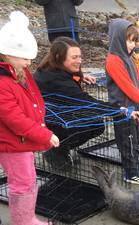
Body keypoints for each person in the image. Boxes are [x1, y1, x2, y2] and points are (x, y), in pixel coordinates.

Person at [0, 11, 59, 225]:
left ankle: (27, 218)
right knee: (23, 183)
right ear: (6, 53)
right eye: (24, 57)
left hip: (22, 140)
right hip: (11, 142)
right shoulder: (3, 82)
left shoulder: (20, 72)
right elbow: (14, 118)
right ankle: (23, 221)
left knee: (28, 179)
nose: (27, 62)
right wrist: (43, 133)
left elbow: (34, 100)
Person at [34, 37, 117, 171]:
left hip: (59, 110)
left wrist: (81, 77)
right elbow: (85, 101)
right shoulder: (54, 78)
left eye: (80, 56)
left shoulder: (52, 67)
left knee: (97, 124)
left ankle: (60, 148)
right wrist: (119, 110)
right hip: (48, 119)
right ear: (59, 57)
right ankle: (56, 151)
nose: (79, 60)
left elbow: (70, 79)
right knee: (90, 124)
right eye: (74, 57)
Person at [106, 18, 139, 185]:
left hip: (135, 107)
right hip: (122, 109)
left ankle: (138, 167)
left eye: (134, 41)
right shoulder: (113, 60)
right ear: (117, 39)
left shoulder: (129, 58)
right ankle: (130, 172)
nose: (132, 45)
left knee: (135, 138)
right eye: (129, 41)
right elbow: (127, 87)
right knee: (126, 140)